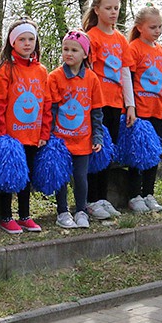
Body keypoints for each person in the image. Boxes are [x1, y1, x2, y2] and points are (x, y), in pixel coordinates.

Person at [0, 17, 51, 234]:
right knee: (9, 177)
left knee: (26, 176)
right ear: (12, 43)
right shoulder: (4, 70)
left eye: (31, 39)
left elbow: (46, 104)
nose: (27, 43)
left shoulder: (41, 71)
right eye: (22, 39)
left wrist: (44, 132)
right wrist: (0, 133)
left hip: (32, 135)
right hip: (10, 136)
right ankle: (6, 216)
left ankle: (25, 215)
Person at [82, 0, 134, 220]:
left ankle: (102, 198)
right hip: (96, 104)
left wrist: (130, 105)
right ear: (97, 9)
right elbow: (87, 72)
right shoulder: (91, 37)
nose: (113, 12)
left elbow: (125, 73)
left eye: (116, 8)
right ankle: (90, 199)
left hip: (115, 103)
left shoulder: (121, 40)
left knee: (107, 153)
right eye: (108, 8)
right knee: (95, 150)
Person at [49, 30, 103, 229]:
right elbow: (51, 109)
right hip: (61, 140)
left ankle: (81, 210)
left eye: (74, 50)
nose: (69, 54)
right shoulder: (54, 77)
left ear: (85, 54)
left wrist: (97, 135)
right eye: (65, 49)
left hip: (83, 139)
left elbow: (96, 111)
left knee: (80, 177)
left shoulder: (91, 79)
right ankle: (62, 212)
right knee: (61, 176)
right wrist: (50, 136)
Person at [125, 5, 162, 214]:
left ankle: (149, 193)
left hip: (157, 111)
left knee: (153, 155)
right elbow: (130, 80)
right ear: (139, 27)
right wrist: (130, 108)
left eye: (160, 26)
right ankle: (135, 195)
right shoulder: (133, 48)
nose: (158, 31)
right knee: (138, 155)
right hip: (140, 112)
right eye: (153, 27)